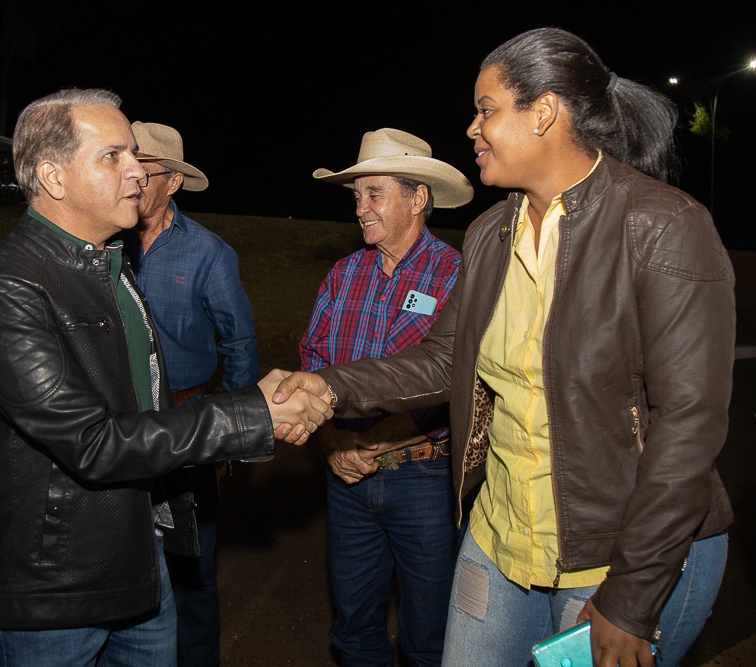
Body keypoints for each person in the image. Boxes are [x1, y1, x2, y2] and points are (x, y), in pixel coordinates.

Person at [274, 26, 735, 667]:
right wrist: (331, 387)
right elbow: (445, 355)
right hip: (499, 535)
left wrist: (632, 595)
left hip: (618, 554)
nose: (471, 128)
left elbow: (690, 423)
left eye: (485, 109)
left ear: (544, 111)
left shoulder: (663, 227)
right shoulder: (492, 232)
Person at [0, 87, 329, 666]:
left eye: (137, 156)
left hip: (138, 556)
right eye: (114, 156)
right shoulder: (10, 288)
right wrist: (250, 412)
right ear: (52, 177)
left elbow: (144, 404)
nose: (138, 171)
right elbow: (92, 441)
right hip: (54, 587)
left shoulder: (109, 264)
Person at [299, 128, 473, 666]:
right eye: (357, 196)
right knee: (354, 628)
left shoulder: (457, 275)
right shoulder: (344, 275)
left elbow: (462, 380)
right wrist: (332, 442)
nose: (361, 208)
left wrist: (383, 438)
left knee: (431, 635)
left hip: (425, 482)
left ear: (417, 197)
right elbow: (313, 363)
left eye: (375, 194)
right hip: (346, 478)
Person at [121, 121, 259, 667]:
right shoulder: (104, 244)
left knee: (193, 565)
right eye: (125, 165)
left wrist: (233, 431)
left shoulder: (209, 254)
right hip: (119, 427)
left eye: (144, 171)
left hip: (188, 427)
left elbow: (240, 343)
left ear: (173, 181)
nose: (130, 178)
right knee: (122, 558)